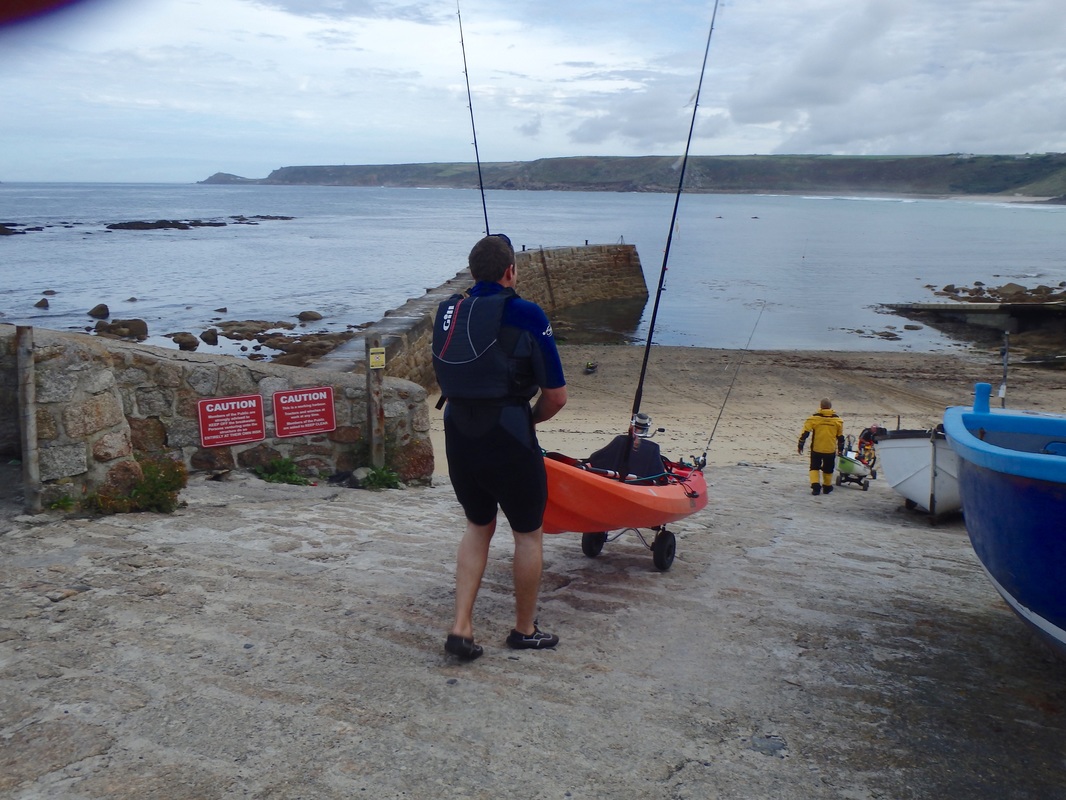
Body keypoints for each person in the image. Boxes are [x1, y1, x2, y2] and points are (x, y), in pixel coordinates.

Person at [432, 233, 567, 661]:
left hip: (458, 432)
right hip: (507, 432)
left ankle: (461, 627)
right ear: (510, 271)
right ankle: (524, 629)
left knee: (477, 525)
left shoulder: (446, 311)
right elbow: (556, 396)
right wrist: (528, 421)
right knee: (527, 533)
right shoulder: (526, 312)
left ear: (473, 272)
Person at [797, 398, 845, 496]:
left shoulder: (814, 419)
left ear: (820, 406)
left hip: (816, 448)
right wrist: (840, 449)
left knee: (814, 467)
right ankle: (827, 487)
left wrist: (800, 444)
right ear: (830, 407)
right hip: (830, 450)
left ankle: (815, 487)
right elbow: (840, 437)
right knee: (828, 468)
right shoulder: (838, 420)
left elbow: (805, 433)